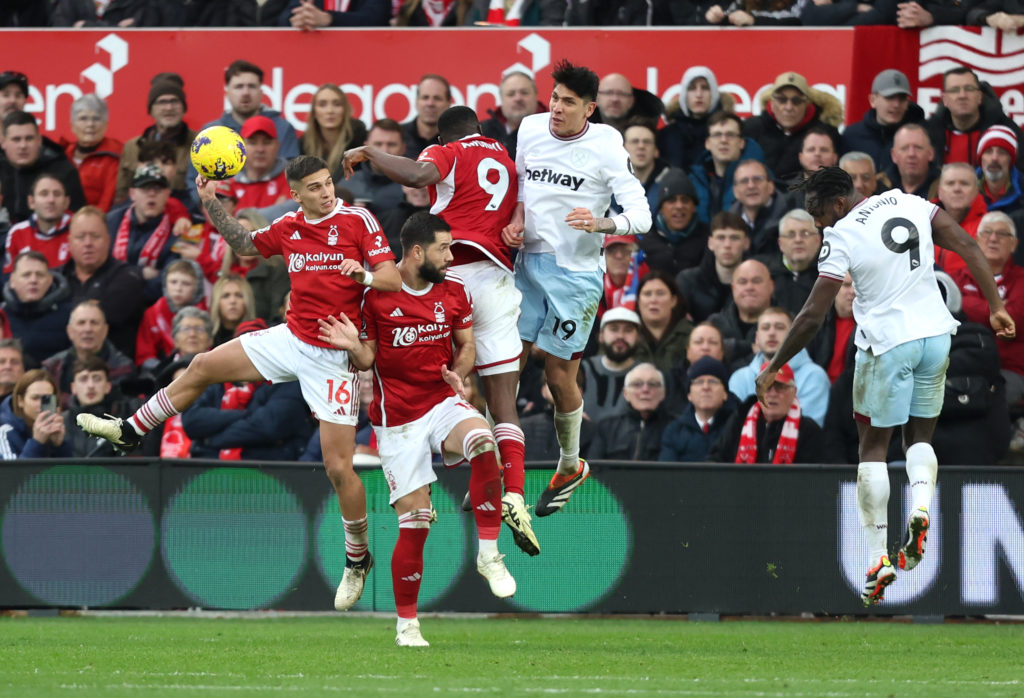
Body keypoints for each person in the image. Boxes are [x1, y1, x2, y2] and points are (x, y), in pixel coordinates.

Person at [78, 155, 401, 613]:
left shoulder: (357, 219)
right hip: (292, 337)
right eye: (315, 187)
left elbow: (391, 278)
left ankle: (358, 558)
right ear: (295, 193)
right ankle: (131, 430)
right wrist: (210, 203)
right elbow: (246, 245)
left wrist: (363, 275)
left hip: (336, 354)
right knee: (203, 365)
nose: (326, 193)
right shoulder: (289, 226)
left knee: (337, 467)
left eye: (328, 184)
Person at [754, 166, 1015, 606]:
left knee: (873, 448)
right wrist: (995, 305)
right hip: (936, 337)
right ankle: (920, 508)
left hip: (886, 345)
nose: (818, 224)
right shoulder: (910, 203)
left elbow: (814, 314)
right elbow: (969, 245)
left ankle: (878, 557)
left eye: (818, 214)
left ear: (838, 203)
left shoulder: (842, 234)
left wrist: (774, 364)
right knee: (920, 436)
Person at [340, 105, 536, 556]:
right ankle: (513, 493)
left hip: (453, 273)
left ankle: (408, 451)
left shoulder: (450, 151)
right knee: (502, 397)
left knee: (416, 363)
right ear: (480, 130)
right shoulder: (505, 159)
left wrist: (372, 151)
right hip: (500, 280)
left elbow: (419, 175)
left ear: (445, 136)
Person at [317, 212, 516, 647]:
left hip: (442, 400)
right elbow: (367, 360)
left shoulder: (455, 291)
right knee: (416, 521)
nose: (451, 256)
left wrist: (460, 374)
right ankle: (407, 624)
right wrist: (353, 346)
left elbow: (466, 346)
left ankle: (488, 553)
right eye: (445, 248)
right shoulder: (374, 298)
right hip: (398, 420)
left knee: (484, 442)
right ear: (417, 252)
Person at [503, 59, 651, 516]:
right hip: (527, 264)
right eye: (554, 97)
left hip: (576, 277)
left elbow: (642, 216)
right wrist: (516, 220)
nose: (557, 108)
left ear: (589, 109)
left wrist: (602, 223)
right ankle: (494, 464)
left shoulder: (607, 145)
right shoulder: (529, 128)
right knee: (505, 361)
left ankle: (570, 464)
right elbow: (523, 185)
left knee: (557, 376)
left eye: (568, 102)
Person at [181, 320, 313, 461]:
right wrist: (245, 415)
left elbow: (269, 427)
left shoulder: (285, 381)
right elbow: (191, 421)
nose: (249, 354)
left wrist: (210, 441)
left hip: (268, 473)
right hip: (209, 472)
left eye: (256, 348)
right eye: (243, 348)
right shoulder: (216, 382)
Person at [953, 211, 1024, 404]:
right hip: (963, 365)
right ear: (976, 240)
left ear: (1014, 244)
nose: (993, 238)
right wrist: (996, 309)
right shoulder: (957, 278)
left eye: (1002, 234)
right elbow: (951, 314)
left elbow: (1014, 319)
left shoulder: (1021, 280)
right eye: (987, 232)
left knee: (989, 404)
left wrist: (966, 302)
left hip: (1008, 369)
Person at [62, 206, 147, 357]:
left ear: (108, 240)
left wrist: (58, 307)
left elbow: (108, 314)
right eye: (81, 237)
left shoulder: (128, 277)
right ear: (69, 242)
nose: (88, 243)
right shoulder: (57, 277)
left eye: (95, 236)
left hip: (114, 370)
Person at [728, 306, 830, 426]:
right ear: (756, 338)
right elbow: (734, 427)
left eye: (780, 327)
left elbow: (810, 428)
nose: (771, 333)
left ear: (794, 337)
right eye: (765, 328)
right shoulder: (740, 377)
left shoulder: (814, 376)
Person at [711, 361, 827, 465]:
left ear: (794, 392)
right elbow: (715, 462)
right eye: (766, 387)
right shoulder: (738, 422)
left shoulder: (808, 430)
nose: (773, 394)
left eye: (780, 387)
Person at [106, 164, 190, 303]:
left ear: (167, 194)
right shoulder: (111, 222)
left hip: (151, 304)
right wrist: (139, 273)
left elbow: (169, 279)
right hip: (108, 297)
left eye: (158, 189)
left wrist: (130, 289)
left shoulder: (178, 231)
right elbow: (102, 267)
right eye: (145, 188)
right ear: (132, 194)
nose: (152, 193)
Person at [741, 71, 842, 182]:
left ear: (807, 104)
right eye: (782, 100)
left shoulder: (825, 133)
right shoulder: (751, 128)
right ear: (772, 103)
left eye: (796, 101)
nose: (789, 107)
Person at [115, 75, 196, 204]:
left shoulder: (200, 145)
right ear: (150, 110)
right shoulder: (132, 147)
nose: (169, 108)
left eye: (174, 101)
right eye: (162, 102)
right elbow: (121, 196)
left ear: (184, 108)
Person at [925, 66, 1024, 172]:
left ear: (980, 97)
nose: (962, 95)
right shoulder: (928, 132)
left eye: (969, 89)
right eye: (954, 90)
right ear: (945, 99)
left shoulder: (1007, 130)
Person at [41, 299, 134, 406]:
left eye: (94, 323)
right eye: (81, 323)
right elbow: (46, 409)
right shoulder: (52, 367)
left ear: (105, 330)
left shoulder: (123, 368)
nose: (88, 329)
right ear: (69, 331)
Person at [0, 111, 86, 223]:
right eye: (16, 139)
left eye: (29, 139)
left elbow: (77, 220)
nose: (23, 145)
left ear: (39, 140)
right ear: (3, 143)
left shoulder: (64, 172)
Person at [841, 69, 924, 175]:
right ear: (873, 100)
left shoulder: (921, 136)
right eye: (890, 97)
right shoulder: (852, 136)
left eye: (902, 98)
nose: (896, 104)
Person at [689, 111, 766, 225]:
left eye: (730, 134)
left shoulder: (761, 178)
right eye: (717, 135)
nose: (723, 140)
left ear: (741, 143)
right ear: (707, 143)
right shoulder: (693, 180)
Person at [588, 362, 674, 461]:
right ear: (625, 393)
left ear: (663, 393)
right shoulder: (607, 428)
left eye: (653, 384)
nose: (645, 389)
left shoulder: (675, 428)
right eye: (637, 384)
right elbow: (592, 469)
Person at [677, 211, 750, 323]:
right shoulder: (688, 280)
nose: (727, 245)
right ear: (710, 243)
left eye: (734, 238)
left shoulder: (756, 283)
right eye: (721, 238)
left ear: (746, 243)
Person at [2, 250, 73, 365]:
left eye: (40, 275)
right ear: (12, 281)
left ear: (50, 280)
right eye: (26, 275)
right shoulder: (2, 316)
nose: (33, 280)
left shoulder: (70, 316)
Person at [63, 355, 141, 458]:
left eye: (97, 379)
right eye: (83, 379)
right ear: (73, 388)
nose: (90, 385)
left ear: (108, 387)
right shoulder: (61, 422)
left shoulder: (125, 418)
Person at [659, 356, 735, 462]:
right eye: (699, 382)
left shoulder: (737, 428)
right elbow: (666, 474)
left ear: (725, 394)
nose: (706, 387)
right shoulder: (674, 430)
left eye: (713, 381)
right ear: (689, 395)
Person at [658, 66, 732, 171]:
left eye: (705, 88)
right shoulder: (667, 135)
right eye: (692, 88)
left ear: (714, 93)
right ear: (684, 94)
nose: (699, 94)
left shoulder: (727, 132)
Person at [638, 170, 707, 278]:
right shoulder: (645, 241)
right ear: (661, 208)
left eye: (685, 200)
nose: (679, 206)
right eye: (671, 200)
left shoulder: (708, 239)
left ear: (694, 207)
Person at [580, 306, 641, 424]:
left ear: (638, 338)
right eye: (614, 329)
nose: (620, 336)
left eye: (628, 330)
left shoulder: (645, 375)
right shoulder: (582, 369)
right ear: (600, 336)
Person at [2, 174, 72, 276]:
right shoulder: (17, 233)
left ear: (66, 202)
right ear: (31, 202)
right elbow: (9, 278)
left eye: (57, 194)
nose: (51, 200)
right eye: (44, 194)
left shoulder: (77, 230)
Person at [709, 258, 775, 365]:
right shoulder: (715, 323)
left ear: (771, 286)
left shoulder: (787, 324)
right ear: (733, 288)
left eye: (756, 281)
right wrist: (747, 347)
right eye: (742, 282)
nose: (749, 287)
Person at [65, 93, 122, 212]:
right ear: (72, 125)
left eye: (96, 118)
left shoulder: (115, 155)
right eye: (83, 118)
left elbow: (108, 201)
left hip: (100, 224)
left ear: (106, 124)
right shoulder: (63, 155)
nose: (90, 124)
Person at [759, 209, 821, 317]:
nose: (798, 240)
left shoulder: (829, 274)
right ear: (780, 243)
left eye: (805, 234)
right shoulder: (764, 273)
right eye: (791, 234)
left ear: (818, 240)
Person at [0, 368, 71, 459]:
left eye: (47, 399)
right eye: (35, 398)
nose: (41, 404)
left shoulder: (62, 427)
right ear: (20, 401)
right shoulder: (5, 434)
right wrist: (37, 443)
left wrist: (60, 446)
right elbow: (12, 472)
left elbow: (72, 472)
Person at [933, 162, 989, 276]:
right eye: (950, 183)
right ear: (940, 192)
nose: (957, 189)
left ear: (976, 192)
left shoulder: (988, 228)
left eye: (964, 184)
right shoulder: (923, 223)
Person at [301, 84, 367, 177]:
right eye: (322, 105)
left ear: (345, 110)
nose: (330, 110)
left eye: (337, 104)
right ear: (314, 112)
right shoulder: (303, 145)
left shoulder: (360, 141)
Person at [343, 119, 406, 216]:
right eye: (378, 144)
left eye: (391, 144)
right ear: (365, 148)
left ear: (403, 148)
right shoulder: (347, 185)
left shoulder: (415, 188)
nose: (384, 150)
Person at [633, 271, 693, 374]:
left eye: (660, 293)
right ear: (638, 302)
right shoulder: (627, 336)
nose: (653, 300)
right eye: (647, 294)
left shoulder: (692, 336)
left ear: (673, 300)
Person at [480, 71, 543, 162]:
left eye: (524, 92)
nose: (518, 98)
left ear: (536, 95)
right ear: (501, 99)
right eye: (511, 94)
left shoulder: (551, 130)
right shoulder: (483, 132)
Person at [729, 159, 788, 256]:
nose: (751, 186)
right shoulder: (728, 224)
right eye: (744, 181)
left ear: (770, 186)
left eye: (757, 179)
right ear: (735, 192)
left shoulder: (792, 218)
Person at [231, 116, 289, 210]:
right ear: (240, 147)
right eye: (253, 143)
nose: (260, 149)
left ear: (277, 146)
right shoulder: (228, 181)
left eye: (266, 143)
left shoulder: (291, 179)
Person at [592, 73, 663, 134]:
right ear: (596, 98)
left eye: (622, 94)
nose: (615, 99)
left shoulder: (645, 139)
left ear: (632, 101)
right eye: (608, 93)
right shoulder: (583, 134)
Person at [402, 74, 453, 159]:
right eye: (425, 97)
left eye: (437, 98)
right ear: (417, 101)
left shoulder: (457, 141)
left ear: (448, 104)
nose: (430, 103)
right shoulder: (399, 137)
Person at [976, 126, 1023, 218]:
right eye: (989, 152)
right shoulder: (964, 189)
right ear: (981, 158)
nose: (994, 158)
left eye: (1002, 152)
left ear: (1011, 160)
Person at [885, 123, 939, 199]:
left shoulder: (944, 189)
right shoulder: (879, 187)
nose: (911, 154)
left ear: (930, 153)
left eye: (918, 147)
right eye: (905, 148)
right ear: (894, 155)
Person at [210, 274, 256, 346]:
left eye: (239, 295)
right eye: (226, 296)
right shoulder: (207, 338)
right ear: (216, 302)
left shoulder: (257, 336)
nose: (233, 301)